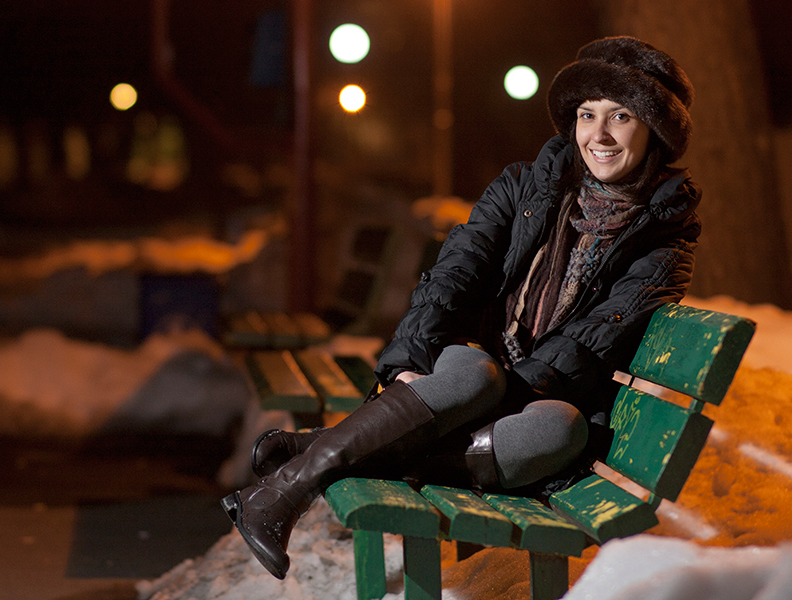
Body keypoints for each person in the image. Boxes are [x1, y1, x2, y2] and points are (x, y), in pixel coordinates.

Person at [222, 35, 700, 580]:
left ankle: (320, 450)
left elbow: (591, 343)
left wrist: (496, 398)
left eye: (621, 116)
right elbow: (454, 276)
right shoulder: (523, 186)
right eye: (588, 115)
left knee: (561, 430)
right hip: (473, 366)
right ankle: (285, 492)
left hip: (547, 391)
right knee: (476, 375)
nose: (599, 135)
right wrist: (410, 360)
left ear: (654, 129)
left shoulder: (667, 238)